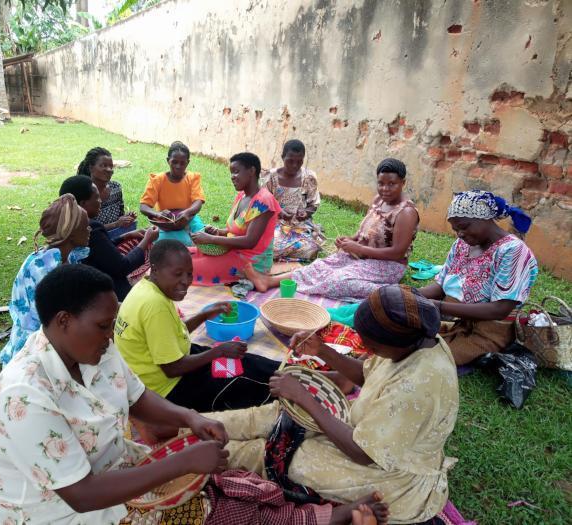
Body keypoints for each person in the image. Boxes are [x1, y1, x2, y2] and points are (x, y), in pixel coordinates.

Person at [0, 264, 231, 524]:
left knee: (225, 497)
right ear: (64, 321)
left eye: (111, 324)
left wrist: (190, 418)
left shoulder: (95, 348)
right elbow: (82, 495)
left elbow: (137, 396)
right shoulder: (23, 397)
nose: (110, 335)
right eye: (103, 325)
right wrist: (182, 463)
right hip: (61, 513)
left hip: (115, 472)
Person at [206, 285, 459, 524]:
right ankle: (193, 425)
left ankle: (200, 453)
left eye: (371, 346)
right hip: (365, 431)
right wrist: (322, 350)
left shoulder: (415, 387)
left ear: (394, 344)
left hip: (388, 472)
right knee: (271, 417)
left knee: (283, 457)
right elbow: (368, 375)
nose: (366, 349)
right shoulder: (418, 337)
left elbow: (362, 452)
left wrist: (304, 397)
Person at [115, 240, 280, 415]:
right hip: (167, 391)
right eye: (178, 274)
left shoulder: (146, 287)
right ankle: (291, 386)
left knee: (248, 362)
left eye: (189, 274)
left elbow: (173, 333)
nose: (186, 281)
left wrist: (205, 315)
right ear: (155, 269)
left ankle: (288, 370)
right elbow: (172, 369)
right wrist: (219, 352)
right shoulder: (154, 305)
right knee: (248, 384)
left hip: (171, 365)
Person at [246, 158, 419, 300]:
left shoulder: (406, 213)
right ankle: (268, 282)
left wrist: (359, 248)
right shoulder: (378, 200)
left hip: (387, 265)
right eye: (381, 183)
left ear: (402, 183)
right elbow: (364, 233)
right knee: (320, 266)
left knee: (338, 279)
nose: (385, 189)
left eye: (391, 184)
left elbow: (397, 252)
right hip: (360, 257)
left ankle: (391, 294)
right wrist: (349, 240)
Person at [420, 190, 538, 365]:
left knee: (427, 359)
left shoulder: (513, 251)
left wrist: (439, 306)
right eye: (456, 229)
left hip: (488, 332)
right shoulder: (462, 244)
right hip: (455, 321)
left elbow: (500, 309)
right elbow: (440, 285)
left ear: (485, 219)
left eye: (464, 226)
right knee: (400, 337)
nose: (459, 234)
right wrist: (408, 293)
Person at [0, 194, 91, 366]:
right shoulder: (46, 269)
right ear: (70, 233)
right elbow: (58, 320)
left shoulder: (59, 257)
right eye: (86, 227)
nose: (89, 230)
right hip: (36, 348)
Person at [59, 175, 158, 301]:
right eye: (96, 197)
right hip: (107, 294)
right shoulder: (91, 227)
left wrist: (125, 236)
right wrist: (147, 240)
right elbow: (122, 267)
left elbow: (98, 250)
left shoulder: (64, 225)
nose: (100, 201)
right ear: (83, 204)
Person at [188, 152, 281, 285]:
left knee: (187, 267)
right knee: (184, 254)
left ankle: (261, 279)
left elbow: (250, 241)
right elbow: (236, 229)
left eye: (236, 172)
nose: (232, 177)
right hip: (233, 252)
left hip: (252, 263)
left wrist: (211, 239)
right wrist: (219, 231)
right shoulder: (242, 196)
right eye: (231, 173)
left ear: (252, 171)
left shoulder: (263, 202)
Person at [263, 139, 325, 261]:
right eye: (290, 161)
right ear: (282, 157)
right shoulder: (271, 177)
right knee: (271, 245)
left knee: (311, 248)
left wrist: (306, 213)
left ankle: (286, 250)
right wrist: (279, 212)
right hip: (275, 224)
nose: (294, 165)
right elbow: (263, 203)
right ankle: (280, 250)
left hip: (299, 226)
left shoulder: (309, 177)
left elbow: (313, 203)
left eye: (299, 162)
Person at [139, 141, 206, 246]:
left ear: (187, 163)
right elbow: (143, 206)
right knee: (167, 245)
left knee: (204, 239)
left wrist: (187, 212)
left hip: (189, 219)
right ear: (168, 161)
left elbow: (198, 202)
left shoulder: (192, 178)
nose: (178, 166)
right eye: (174, 162)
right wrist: (158, 214)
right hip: (165, 223)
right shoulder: (157, 180)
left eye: (182, 163)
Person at [77, 146, 137, 239]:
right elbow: (84, 228)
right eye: (104, 166)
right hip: (93, 240)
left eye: (111, 166)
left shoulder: (116, 188)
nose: (109, 170)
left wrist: (126, 219)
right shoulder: (83, 192)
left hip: (116, 237)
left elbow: (119, 216)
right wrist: (116, 224)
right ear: (91, 168)